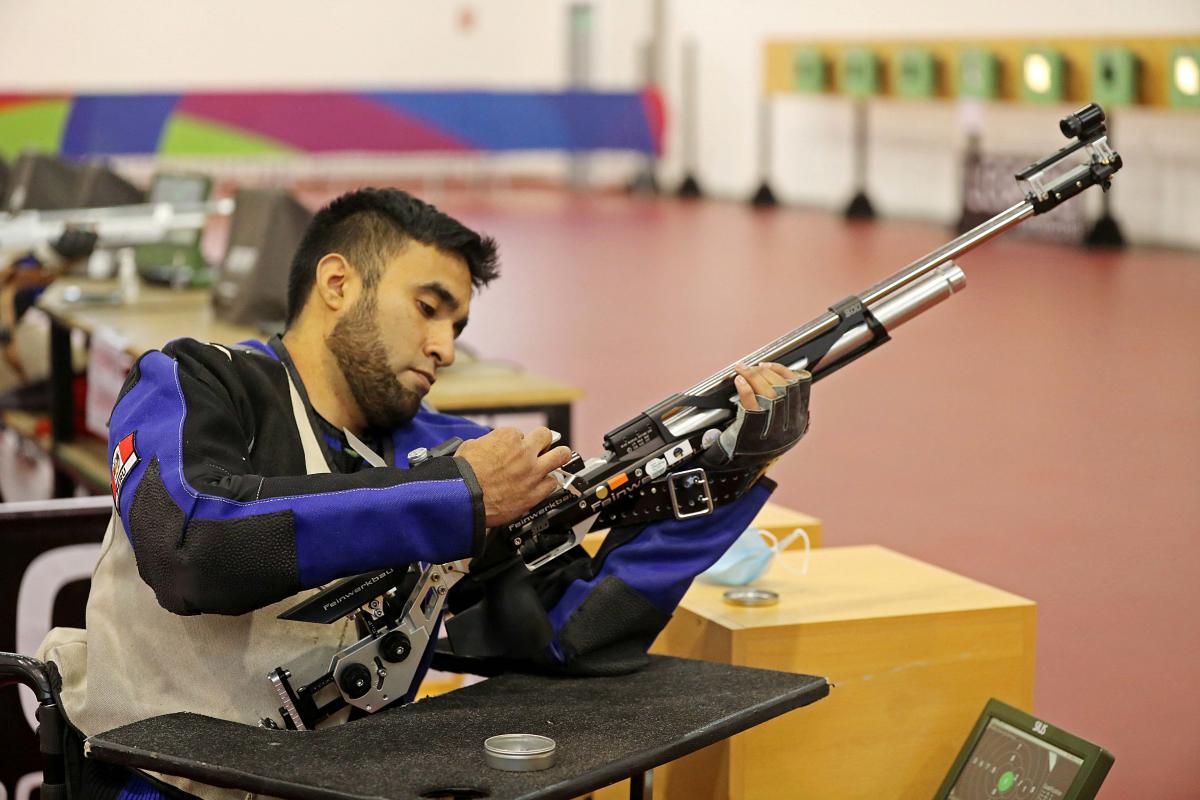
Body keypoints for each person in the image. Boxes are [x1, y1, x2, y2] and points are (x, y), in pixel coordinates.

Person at [38, 188, 810, 799]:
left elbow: (559, 632)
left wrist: (718, 477)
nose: (446, 346)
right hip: (153, 783)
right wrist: (459, 501)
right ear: (337, 283)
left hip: (344, 783)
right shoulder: (195, 382)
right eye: (428, 306)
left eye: (459, 322)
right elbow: (192, 547)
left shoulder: (438, 447)